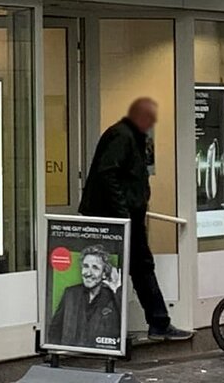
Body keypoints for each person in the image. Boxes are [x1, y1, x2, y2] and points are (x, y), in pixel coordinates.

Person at [79, 98, 193, 341]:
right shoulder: (123, 136)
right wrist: (123, 213)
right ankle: (148, 324)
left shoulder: (127, 136)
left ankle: (152, 323)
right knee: (131, 268)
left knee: (134, 268)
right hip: (117, 219)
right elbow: (108, 173)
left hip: (122, 217)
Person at [48, 245, 122, 348]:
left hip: (99, 355)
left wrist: (116, 289)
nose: (88, 273)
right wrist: (57, 352)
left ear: (104, 274)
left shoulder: (113, 297)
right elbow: (55, 328)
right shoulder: (70, 294)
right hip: (70, 355)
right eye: (86, 266)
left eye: (95, 268)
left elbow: (123, 325)